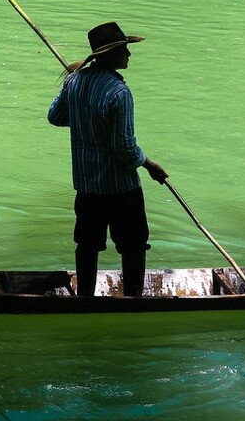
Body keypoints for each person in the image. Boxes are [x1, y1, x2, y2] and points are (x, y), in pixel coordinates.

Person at [48, 21, 168, 297]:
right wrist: (149, 165)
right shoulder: (119, 92)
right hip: (119, 188)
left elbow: (55, 117)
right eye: (124, 49)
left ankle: (85, 299)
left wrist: (83, 116)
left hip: (87, 186)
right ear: (111, 55)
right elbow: (124, 148)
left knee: (87, 244)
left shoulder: (75, 80)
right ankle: (134, 298)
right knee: (133, 244)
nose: (129, 55)